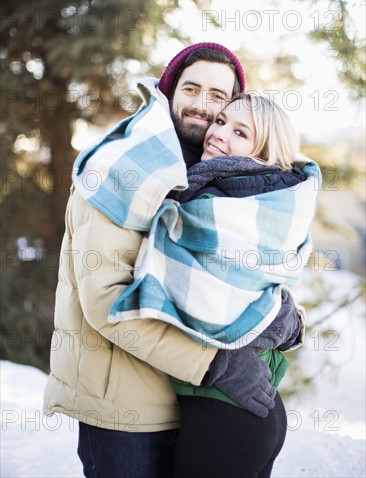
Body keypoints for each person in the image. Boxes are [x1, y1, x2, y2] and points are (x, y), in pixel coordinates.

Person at [43, 43, 302, 478]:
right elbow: (107, 304)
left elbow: (240, 273)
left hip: (195, 404)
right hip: (128, 416)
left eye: (218, 98)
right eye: (192, 89)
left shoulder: (212, 180)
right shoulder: (122, 168)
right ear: (167, 92)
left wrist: (285, 316)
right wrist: (216, 365)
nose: (203, 107)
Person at [109, 93, 321, 477]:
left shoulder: (219, 198)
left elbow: (199, 292)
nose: (218, 133)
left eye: (240, 132)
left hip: (226, 413)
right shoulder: (254, 190)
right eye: (221, 121)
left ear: (264, 150)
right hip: (254, 410)